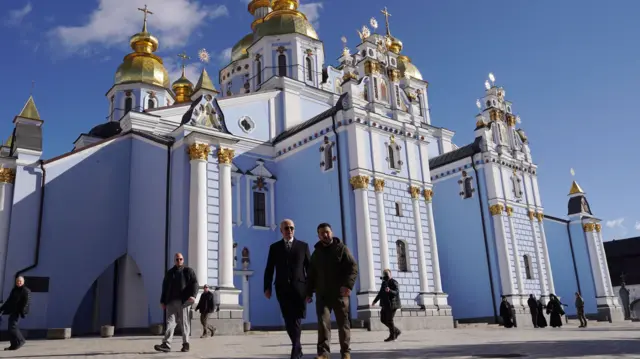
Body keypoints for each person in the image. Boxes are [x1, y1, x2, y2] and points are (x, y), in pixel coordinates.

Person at [306, 223, 358, 359]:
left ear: (332, 232)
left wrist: (348, 285)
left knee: (343, 324)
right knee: (323, 324)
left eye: (327, 232)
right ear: (318, 235)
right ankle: (323, 353)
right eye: (322, 233)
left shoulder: (342, 249)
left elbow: (353, 267)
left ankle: (346, 352)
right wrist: (308, 292)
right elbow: (311, 275)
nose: (325, 235)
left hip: (340, 295)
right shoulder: (316, 254)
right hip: (322, 295)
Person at [264, 219, 311, 359]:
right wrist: (267, 287)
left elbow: (309, 269)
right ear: (281, 231)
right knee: (288, 319)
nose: (289, 230)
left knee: (296, 318)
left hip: (299, 289)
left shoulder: (303, 246)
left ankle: (296, 348)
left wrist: (310, 290)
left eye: (291, 228)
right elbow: (269, 269)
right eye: (286, 228)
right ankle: (297, 347)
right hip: (282, 288)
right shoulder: (275, 247)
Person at [155, 252, 199, 353]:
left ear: (183, 260)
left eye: (181, 259)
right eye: (177, 259)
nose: (179, 261)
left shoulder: (188, 271)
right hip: (171, 302)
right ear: (174, 261)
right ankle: (166, 344)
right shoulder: (170, 273)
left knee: (184, 323)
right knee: (170, 323)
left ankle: (185, 344)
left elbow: (195, 283)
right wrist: (162, 300)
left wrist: (193, 296)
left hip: (184, 301)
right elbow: (164, 287)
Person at [0, 276, 31, 351]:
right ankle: (13, 345)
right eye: (17, 281)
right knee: (10, 328)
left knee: (12, 327)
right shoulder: (14, 290)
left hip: (18, 311)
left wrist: (22, 311)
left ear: (23, 282)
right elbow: (9, 301)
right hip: (13, 311)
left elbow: (26, 302)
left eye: (20, 281)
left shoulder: (25, 290)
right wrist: (1, 309)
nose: (19, 282)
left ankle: (21, 340)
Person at [372, 269, 401, 342]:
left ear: (390, 275)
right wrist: (375, 301)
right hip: (385, 304)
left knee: (389, 320)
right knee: (383, 319)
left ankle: (392, 336)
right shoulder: (384, 283)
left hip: (392, 304)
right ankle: (396, 331)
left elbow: (396, 292)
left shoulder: (394, 282)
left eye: (387, 274)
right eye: (385, 274)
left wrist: (390, 290)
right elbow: (380, 293)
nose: (386, 276)